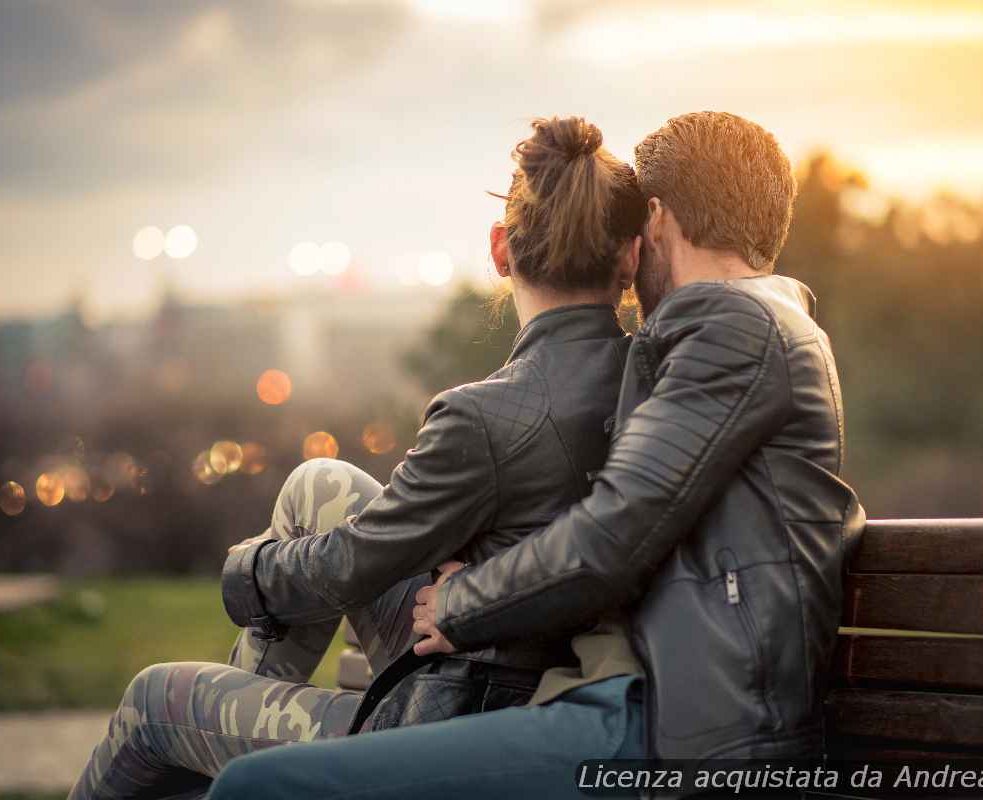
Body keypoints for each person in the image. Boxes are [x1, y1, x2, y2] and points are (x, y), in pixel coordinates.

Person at [208, 111, 864, 800]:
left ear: (659, 222)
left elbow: (611, 533)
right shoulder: (743, 330)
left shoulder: (737, 327)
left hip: (667, 736)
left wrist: (461, 600)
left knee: (255, 787)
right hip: (663, 714)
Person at [67, 115, 647, 800]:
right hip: (532, 666)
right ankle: (248, 718)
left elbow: (351, 565)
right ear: (631, 259)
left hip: (455, 717)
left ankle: (238, 753)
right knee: (321, 483)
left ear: (500, 250)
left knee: (151, 699)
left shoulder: (484, 416)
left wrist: (245, 570)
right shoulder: (660, 382)